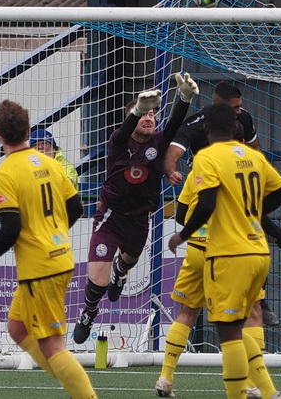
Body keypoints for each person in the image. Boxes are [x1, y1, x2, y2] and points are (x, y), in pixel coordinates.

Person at [168, 103, 281, 399]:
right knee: (251, 317)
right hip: (259, 252)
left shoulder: (207, 157)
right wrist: (253, 213)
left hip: (229, 253)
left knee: (229, 331)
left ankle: (247, 393)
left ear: (206, 129)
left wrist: (182, 235)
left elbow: (206, 204)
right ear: (236, 129)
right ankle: (268, 391)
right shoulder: (252, 155)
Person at [0, 99, 97, 399]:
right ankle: (72, 383)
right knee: (17, 328)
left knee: (53, 345)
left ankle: (83, 393)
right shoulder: (52, 164)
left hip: (40, 269)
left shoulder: (3, 174)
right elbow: (77, 207)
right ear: (29, 130)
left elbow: (11, 228)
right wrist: (51, 233)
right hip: (60, 258)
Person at [72, 73, 199, 344]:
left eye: (152, 114)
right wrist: (137, 110)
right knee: (99, 280)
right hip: (111, 218)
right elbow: (122, 130)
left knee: (128, 261)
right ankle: (88, 312)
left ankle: (121, 270)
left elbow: (175, 122)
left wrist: (185, 98)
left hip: (140, 219)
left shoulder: (159, 142)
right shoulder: (118, 142)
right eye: (143, 114)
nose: (149, 117)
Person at [163, 80, 281, 328]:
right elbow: (173, 152)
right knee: (238, 316)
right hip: (204, 185)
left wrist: (257, 174)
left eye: (240, 107)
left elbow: (256, 151)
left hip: (229, 203)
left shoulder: (244, 120)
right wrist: (171, 171)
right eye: (235, 108)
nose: (240, 111)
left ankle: (260, 300)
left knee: (197, 313)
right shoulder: (198, 131)